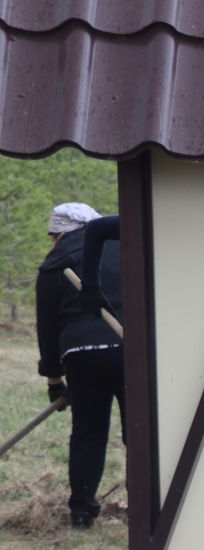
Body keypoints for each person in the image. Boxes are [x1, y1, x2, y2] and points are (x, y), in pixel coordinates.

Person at [34, 202, 124, 528]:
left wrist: (54, 380)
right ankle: (149, 509)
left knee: (87, 433)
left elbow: (47, 329)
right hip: (128, 349)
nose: (52, 241)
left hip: (80, 353)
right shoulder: (123, 246)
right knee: (140, 433)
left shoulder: (53, 263)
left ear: (61, 232)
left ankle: (82, 512)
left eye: (52, 234)